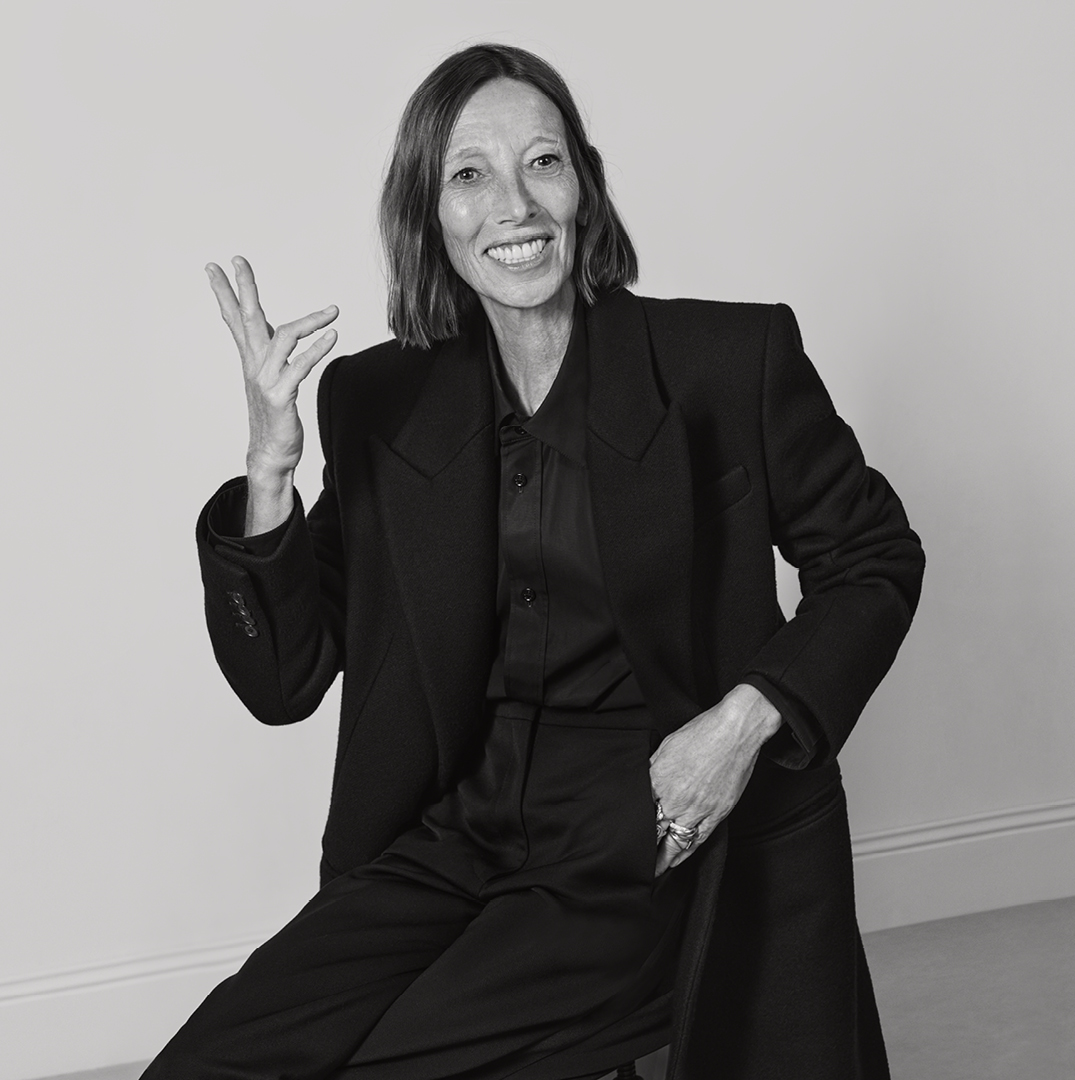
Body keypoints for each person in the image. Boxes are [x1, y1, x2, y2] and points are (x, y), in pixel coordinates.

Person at [144, 43, 924, 1080]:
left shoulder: (728, 363)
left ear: (583, 186)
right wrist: (269, 470)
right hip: (451, 833)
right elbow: (283, 680)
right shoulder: (382, 403)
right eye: (469, 174)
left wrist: (739, 725)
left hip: (648, 830)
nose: (513, 204)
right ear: (428, 216)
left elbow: (873, 559)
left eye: (543, 162)